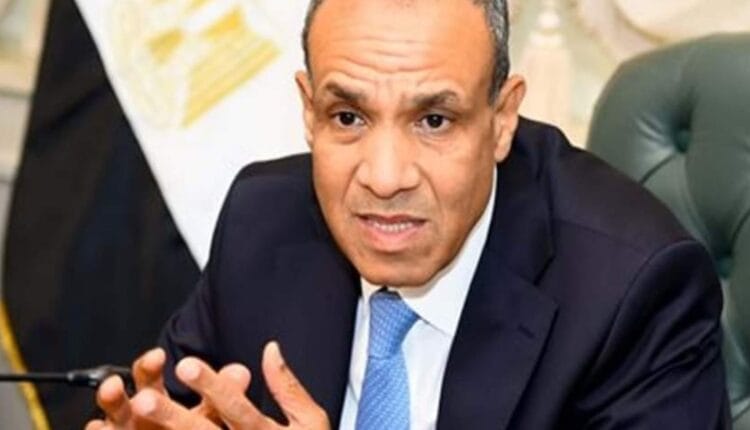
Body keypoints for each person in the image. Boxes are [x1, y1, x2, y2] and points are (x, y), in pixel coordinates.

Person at [85, 0, 730, 429]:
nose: (385, 177)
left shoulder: (632, 290)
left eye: (434, 121)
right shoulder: (264, 221)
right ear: (308, 110)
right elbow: (179, 408)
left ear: (502, 118)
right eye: (348, 117)